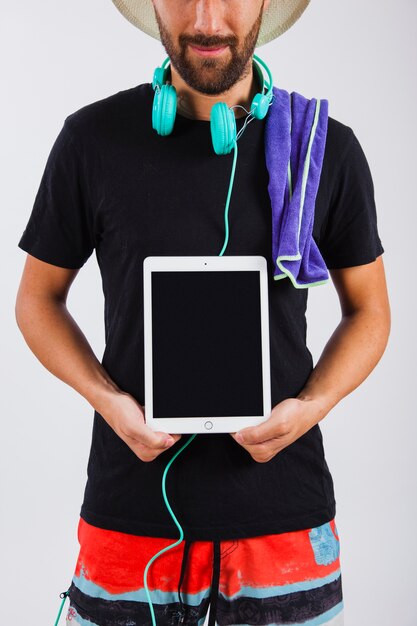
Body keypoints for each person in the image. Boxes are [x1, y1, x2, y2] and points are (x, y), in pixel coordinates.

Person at [15, 1, 391, 625]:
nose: (208, 20)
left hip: (285, 520)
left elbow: (370, 312)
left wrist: (312, 408)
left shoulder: (324, 148)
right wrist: (109, 402)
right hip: (129, 519)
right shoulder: (91, 139)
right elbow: (36, 300)